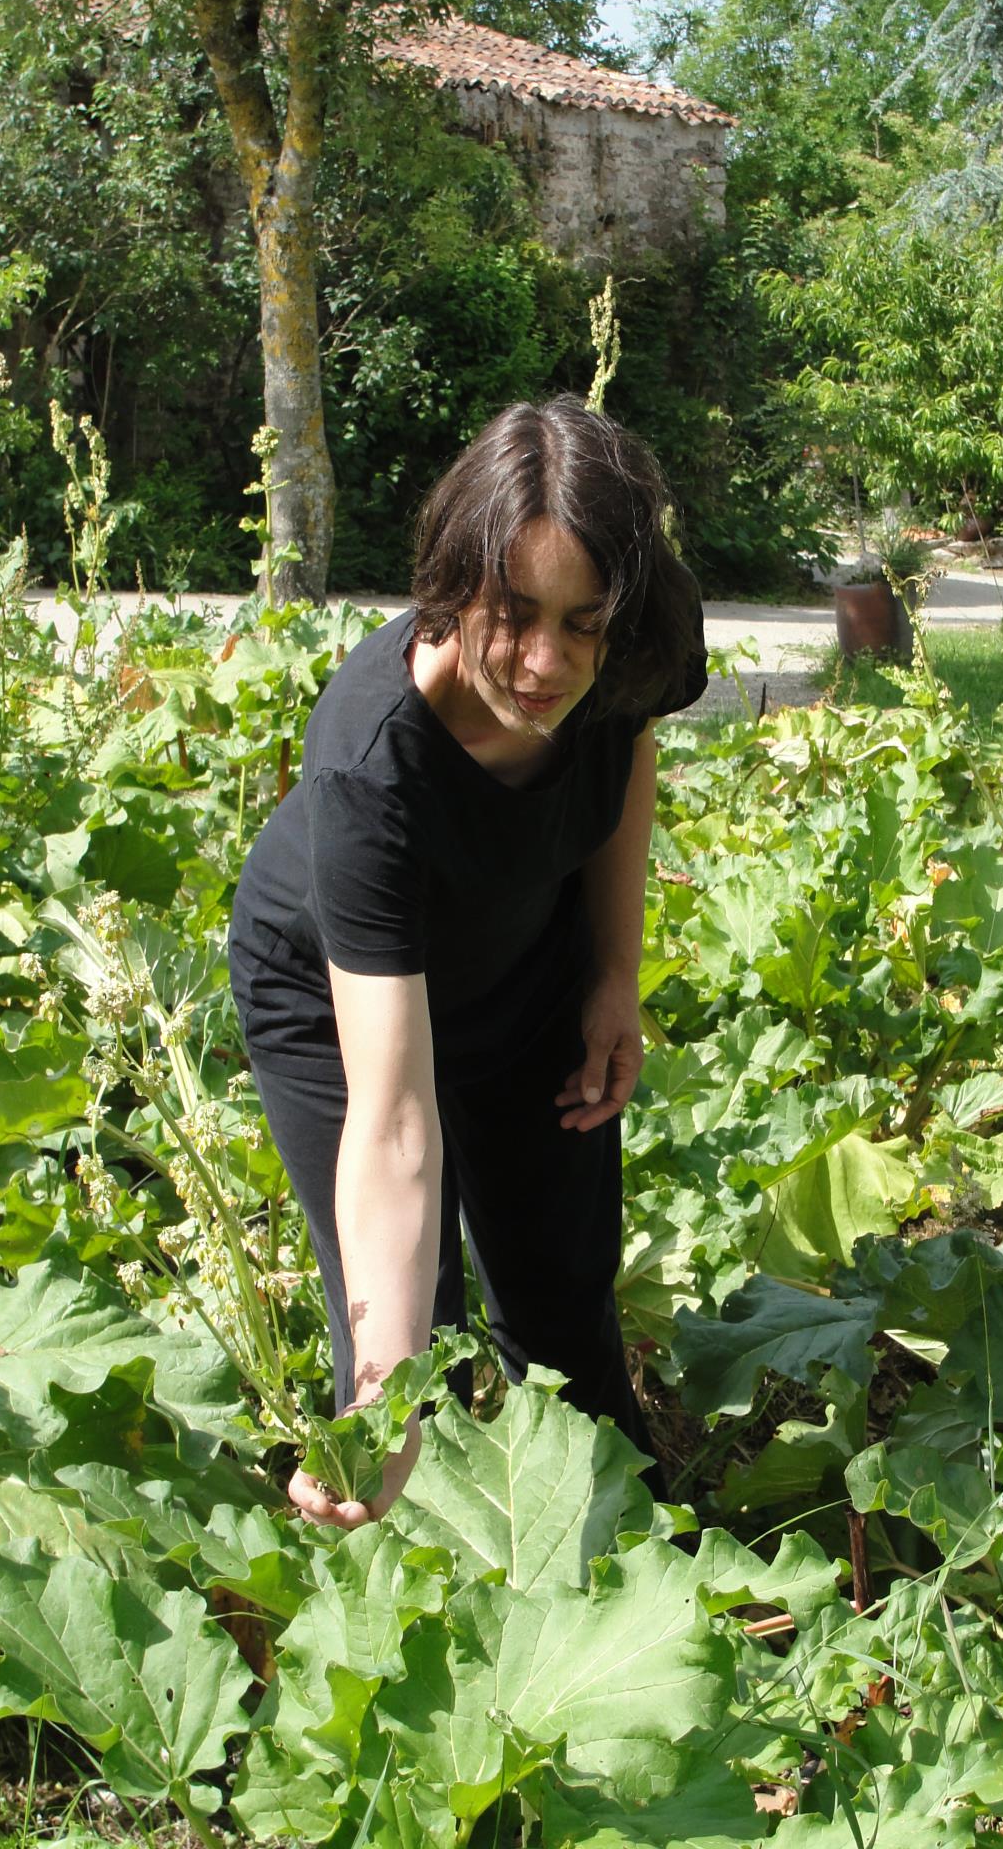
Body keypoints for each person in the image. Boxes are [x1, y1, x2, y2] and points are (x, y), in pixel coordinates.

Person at [227, 396, 707, 1527]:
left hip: (526, 960)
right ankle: (390, 1599)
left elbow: (626, 745)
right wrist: (388, 1395)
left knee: (562, 1299)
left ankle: (633, 1578)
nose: (547, 664)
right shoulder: (372, 768)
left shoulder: (624, 644)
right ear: (452, 585)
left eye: (582, 624)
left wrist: (610, 972)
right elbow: (393, 1124)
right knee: (406, 1353)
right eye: (513, 615)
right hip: (337, 998)